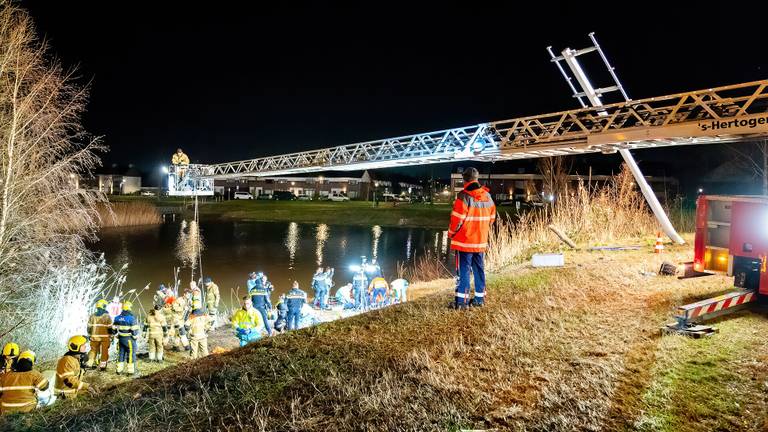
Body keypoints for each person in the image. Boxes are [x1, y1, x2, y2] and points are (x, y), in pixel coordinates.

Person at [448, 167, 496, 309]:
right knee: (479, 269)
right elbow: (492, 219)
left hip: (465, 242)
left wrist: (451, 234)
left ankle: (461, 302)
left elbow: (457, 220)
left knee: (463, 271)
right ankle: (479, 300)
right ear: (476, 178)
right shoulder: (488, 197)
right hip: (480, 242)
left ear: (464, 179)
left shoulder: (464, 196)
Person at [113, 301, 141, 376]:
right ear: (129, 308)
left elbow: (113, 329)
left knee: (121, 354)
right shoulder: (131, 318)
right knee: (131, 354)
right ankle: (131, 372)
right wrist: (135, 337)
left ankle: (119, 370)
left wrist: (116, 335)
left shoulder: (117, 318)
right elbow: (134, 330)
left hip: (121, 339)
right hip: (129, 339)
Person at [86, 299, 113, 371]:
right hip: (105, 338)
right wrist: (111, 336)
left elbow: (89, 327)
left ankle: (89, 364)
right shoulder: (107, 316)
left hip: (94, 338)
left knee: (93, 350)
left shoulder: (92, 316)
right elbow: (110, 328)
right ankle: (102, 366)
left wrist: (89, 334)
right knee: (104, 352)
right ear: (104, 306)